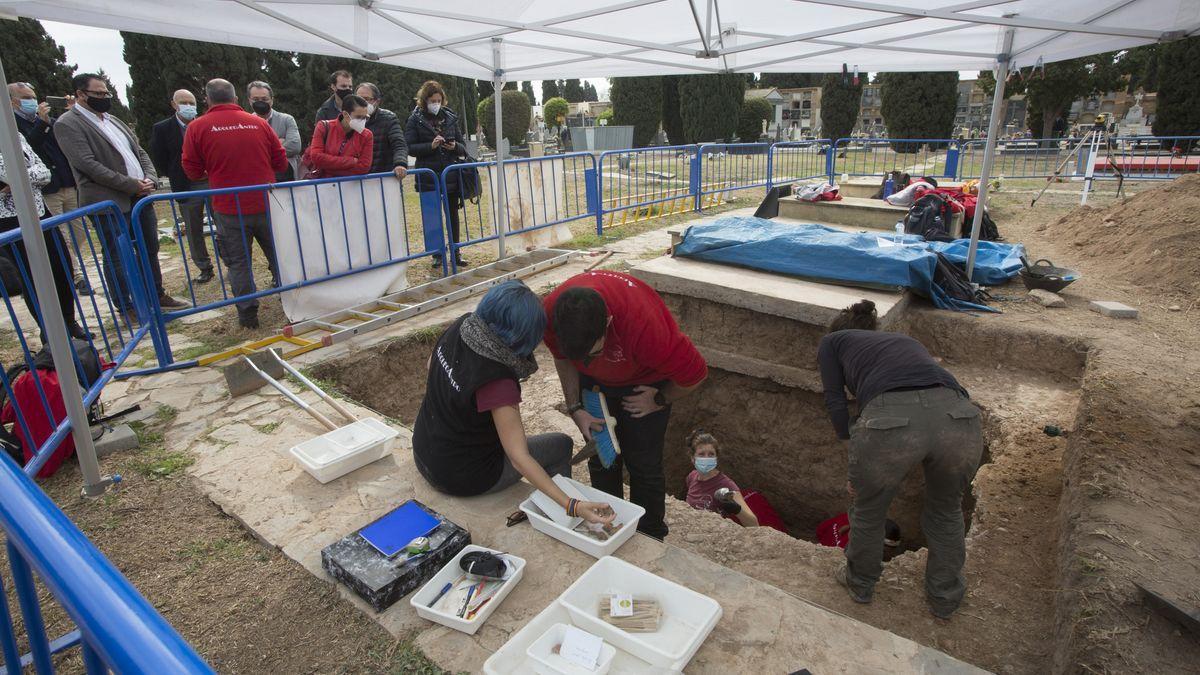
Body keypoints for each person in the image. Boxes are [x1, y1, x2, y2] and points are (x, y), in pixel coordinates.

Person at [817, 300, 983, 619]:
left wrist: (851, 442)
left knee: (868, 510)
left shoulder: (832, 342)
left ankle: (860, 583)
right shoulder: (905, 341)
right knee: (947, 510)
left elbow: (835, 399)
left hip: (890, 418)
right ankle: (945, 598)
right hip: (959, 417)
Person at [412, 279, 616, 526]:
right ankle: (563, 517)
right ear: (524, 336)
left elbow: (430, 366)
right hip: (461, 477)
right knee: (561, 445)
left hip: (423, 451)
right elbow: (518, 457)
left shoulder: (462, 326)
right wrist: (572, 504)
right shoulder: (496, 380)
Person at [543, 270, 708, 540]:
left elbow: (696, 374)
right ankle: (608, 524)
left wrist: (658, 399)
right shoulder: (553, 313)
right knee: (602, 458)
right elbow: (562, 358)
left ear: (608, 322)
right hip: (595, 387)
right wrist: (575, 408)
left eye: (593, 353)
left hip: (644, 385)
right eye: (580, 356)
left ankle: (650, 534)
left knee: (643, 463)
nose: (588, 360)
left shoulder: (647, 329)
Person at [55, 72, 186, 324]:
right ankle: (126, 306)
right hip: (108, 201)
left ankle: (155, 295)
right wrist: (130, 185)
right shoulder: (68, 124)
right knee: (117, 254)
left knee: (149, 248)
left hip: (141, 197)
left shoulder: (113, 119)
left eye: (107, 93)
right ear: (81, 95)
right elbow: (88, 165)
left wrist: (149, 178)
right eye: (99, 93)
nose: (105, 97)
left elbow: (139, 151)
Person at [181, 78, 287, 329]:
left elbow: (192, 171)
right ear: (238, 99)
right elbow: (281, 162)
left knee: (239, 264)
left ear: (207, 99)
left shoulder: (197, 127)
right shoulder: (259, 124)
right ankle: (292, 299)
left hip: (229, 208)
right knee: (281, 255)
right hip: (266, 202)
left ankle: (248, 316)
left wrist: (216, 170)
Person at [0, 133, 84, 339]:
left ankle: (69, 321)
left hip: (39, 211)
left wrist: (19, 179)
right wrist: (21, 178)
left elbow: (44, 173)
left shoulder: (13, 134)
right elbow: (8, 173)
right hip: (9, 220)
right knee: (32, 277)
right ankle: (50, 332)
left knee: (61, 266)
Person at [9, 82, 89, 295]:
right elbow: (28, 149)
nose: (32, 101)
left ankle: (72, 268)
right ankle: (77, 276)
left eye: (33, 96)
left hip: (66, 183)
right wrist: (42, 124)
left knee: (79, 232)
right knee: (62, 236)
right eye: (25, 97)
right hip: (47, 191)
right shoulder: (12, 126)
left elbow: (66, 143)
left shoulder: (51, 122)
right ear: (12, 101)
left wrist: (72, 114)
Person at [150, 89, 214, 284]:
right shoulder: (162, 129)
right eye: (183, 102)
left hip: (212, 183)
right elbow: (159, 158)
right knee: (194, 229)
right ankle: (204, 267)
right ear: (174, 104)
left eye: (191, 102)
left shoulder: (206, 124)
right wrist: (177, 174)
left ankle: (229, 262)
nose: (188, 106)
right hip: (187, 185)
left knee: (223, 224)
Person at [405, 81, 467, 268]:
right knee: (432, 216)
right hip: (428, 174)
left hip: (450, 173)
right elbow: (409, 147)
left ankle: (455, 251)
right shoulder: (415, 119)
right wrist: (429, 146)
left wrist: (454, 146)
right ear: (424, 101)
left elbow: (462, 145)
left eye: (439, 100)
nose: (436, 103)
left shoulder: (450, 118)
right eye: (433, 100)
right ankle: (437, 254)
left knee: (452, 215)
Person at [683, 429, 759, 527]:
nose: (706, 458)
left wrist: (736, 509)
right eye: (701, 454)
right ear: (693, 458)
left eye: (711, 454)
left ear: (716, 458)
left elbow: (754, 524)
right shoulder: (691, 477)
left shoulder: (726, 485)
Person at [302, 94, 373, 178]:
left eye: (365, 117)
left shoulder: (367, 135)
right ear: (345, 114)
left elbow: (364, 167)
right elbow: (316, 157)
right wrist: (351, 161)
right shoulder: (323, 127)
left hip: (352, 187)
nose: (363, 121)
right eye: (359, 117)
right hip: (323, 185)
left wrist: (328, 166)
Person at [246, 81, 301, 181]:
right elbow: (246, 154)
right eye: (256, 99)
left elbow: (295, 146)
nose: (260, 102)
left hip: (285, 175)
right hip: (258, 177)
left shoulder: (286, 119)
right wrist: (278, 145)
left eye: (264, 99)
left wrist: (261, 153)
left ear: (272, 100)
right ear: (249, 101)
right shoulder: (245, 124)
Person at [354, 82, 408, 179]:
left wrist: (400, 164)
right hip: (356, 180)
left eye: (366, 99)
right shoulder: (349, 120)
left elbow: (399, 144)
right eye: (358, 99)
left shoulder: (388, 118)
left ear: (377, 101)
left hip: (384, 178)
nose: (361, 102)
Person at [817, 513, 902, 559]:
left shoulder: (847, 517)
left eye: (893, 551)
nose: (891, 555)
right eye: (885, 551)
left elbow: (820, 530)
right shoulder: (852, 554)